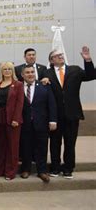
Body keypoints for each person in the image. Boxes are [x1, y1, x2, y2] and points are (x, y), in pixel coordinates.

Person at [43, 46, 95, 179]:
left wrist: (88, 60)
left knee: (70, 143)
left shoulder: (75, 70)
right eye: (57, 55)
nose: (60, 56)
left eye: (61, 54)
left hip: (72, 114)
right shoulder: (46, 73)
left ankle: (68, 168)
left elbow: (91, 75)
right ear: (51, 60)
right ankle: (55, 167)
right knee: (55, 143)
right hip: (55, 116)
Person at [20, 65, 57, 183]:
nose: (30, 74)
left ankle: (42, 171)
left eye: (32, 72)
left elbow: (51, 104)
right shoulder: (18, 87)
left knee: (42, 147)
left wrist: (53, 120)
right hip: (24, 123)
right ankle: (26, 169)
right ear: (22, 75)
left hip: (41, 122)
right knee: (25, 146)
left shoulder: (44, 86)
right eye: (27, 72)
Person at [0, 62, 24, 180]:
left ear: (13, 71)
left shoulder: (18, 84)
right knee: (1, 145)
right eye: (5, 69)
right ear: (1, 71)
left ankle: (10, 172)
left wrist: (16, 119)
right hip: (0, 118)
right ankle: (0, 169)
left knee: (12, 146)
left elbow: (20, 103)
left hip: (13, 119)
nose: (7, 71)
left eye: (9, 69)